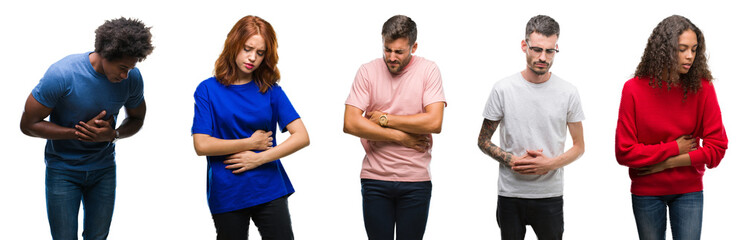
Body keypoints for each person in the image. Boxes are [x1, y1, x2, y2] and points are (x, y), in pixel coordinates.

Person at [19, 17, 153, 240]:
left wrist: (114, 135)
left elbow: (137, 118)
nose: (125, 75)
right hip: (62, 170)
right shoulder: (63, 74)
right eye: (122, 68)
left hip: (104, 170)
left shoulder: (132, 79)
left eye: (130, 68)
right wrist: (78, 133)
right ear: (105, 54)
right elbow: (27, 124)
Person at [191, 15, 309, 240]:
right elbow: (201, 144)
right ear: (234, 44)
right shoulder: (207, 89)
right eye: (247, 49)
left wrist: (259, 158)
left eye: (260, 52)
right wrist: (251, 143)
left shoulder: (270, 90)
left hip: (269, 187)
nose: (252, 58)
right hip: (228, 191)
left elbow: (302, 136)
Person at [615, 15, 727, 240]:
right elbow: (624, 152)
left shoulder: (702, 88)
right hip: (646, 192)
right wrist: (676, 148)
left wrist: (664, 163)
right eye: (682, 49)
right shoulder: (633, 89)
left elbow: (717, 149)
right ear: (664, 50)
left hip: (689, 191)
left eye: (694, 49)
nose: (690, 56)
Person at [477, 15, 585, 240]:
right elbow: (483, 141)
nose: (543, 57)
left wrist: (549, 164)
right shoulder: (503, 89)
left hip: (550, 195)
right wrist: (511, 160)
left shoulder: (568, 92)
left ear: (556, 48)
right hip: (510, 195)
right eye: (536, 50)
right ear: (524, 45)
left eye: (550, 51)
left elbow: (579, 146)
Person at [343, 15, 446, 240]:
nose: (391, 57)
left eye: (399, 52)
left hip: (416, 180)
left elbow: (434, 122)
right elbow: (350, 122)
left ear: (414, 47)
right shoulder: (367, 71)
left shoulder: (428, 70)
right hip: (375, 178)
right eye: (387, 50)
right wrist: (401, 137)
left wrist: (384, 119)